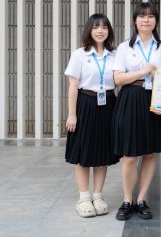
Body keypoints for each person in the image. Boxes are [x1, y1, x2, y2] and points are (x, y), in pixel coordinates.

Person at [112, 2, 161, 220]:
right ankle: (126, 199)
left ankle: (141, 199)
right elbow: (118, 78)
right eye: (141, 16)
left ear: (156, 21)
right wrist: (143, 70)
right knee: (130, 155)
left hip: (155, 101)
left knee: (150, 153)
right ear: (135, 21)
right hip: (131, 98)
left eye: (150, 16)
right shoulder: (124, 47)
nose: (146, 20)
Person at [65, 13, 118, 218]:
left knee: (102, 152)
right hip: (86, 103)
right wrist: (72, 114)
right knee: (84, 152)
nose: (100, 30)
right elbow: (72, 86)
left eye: (104, 27)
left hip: (109, 104)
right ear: (89, 30)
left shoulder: (114, 54)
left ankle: (98, 195)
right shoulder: (80, 54)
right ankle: (84, 197)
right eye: (96, 27)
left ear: (109, 31)